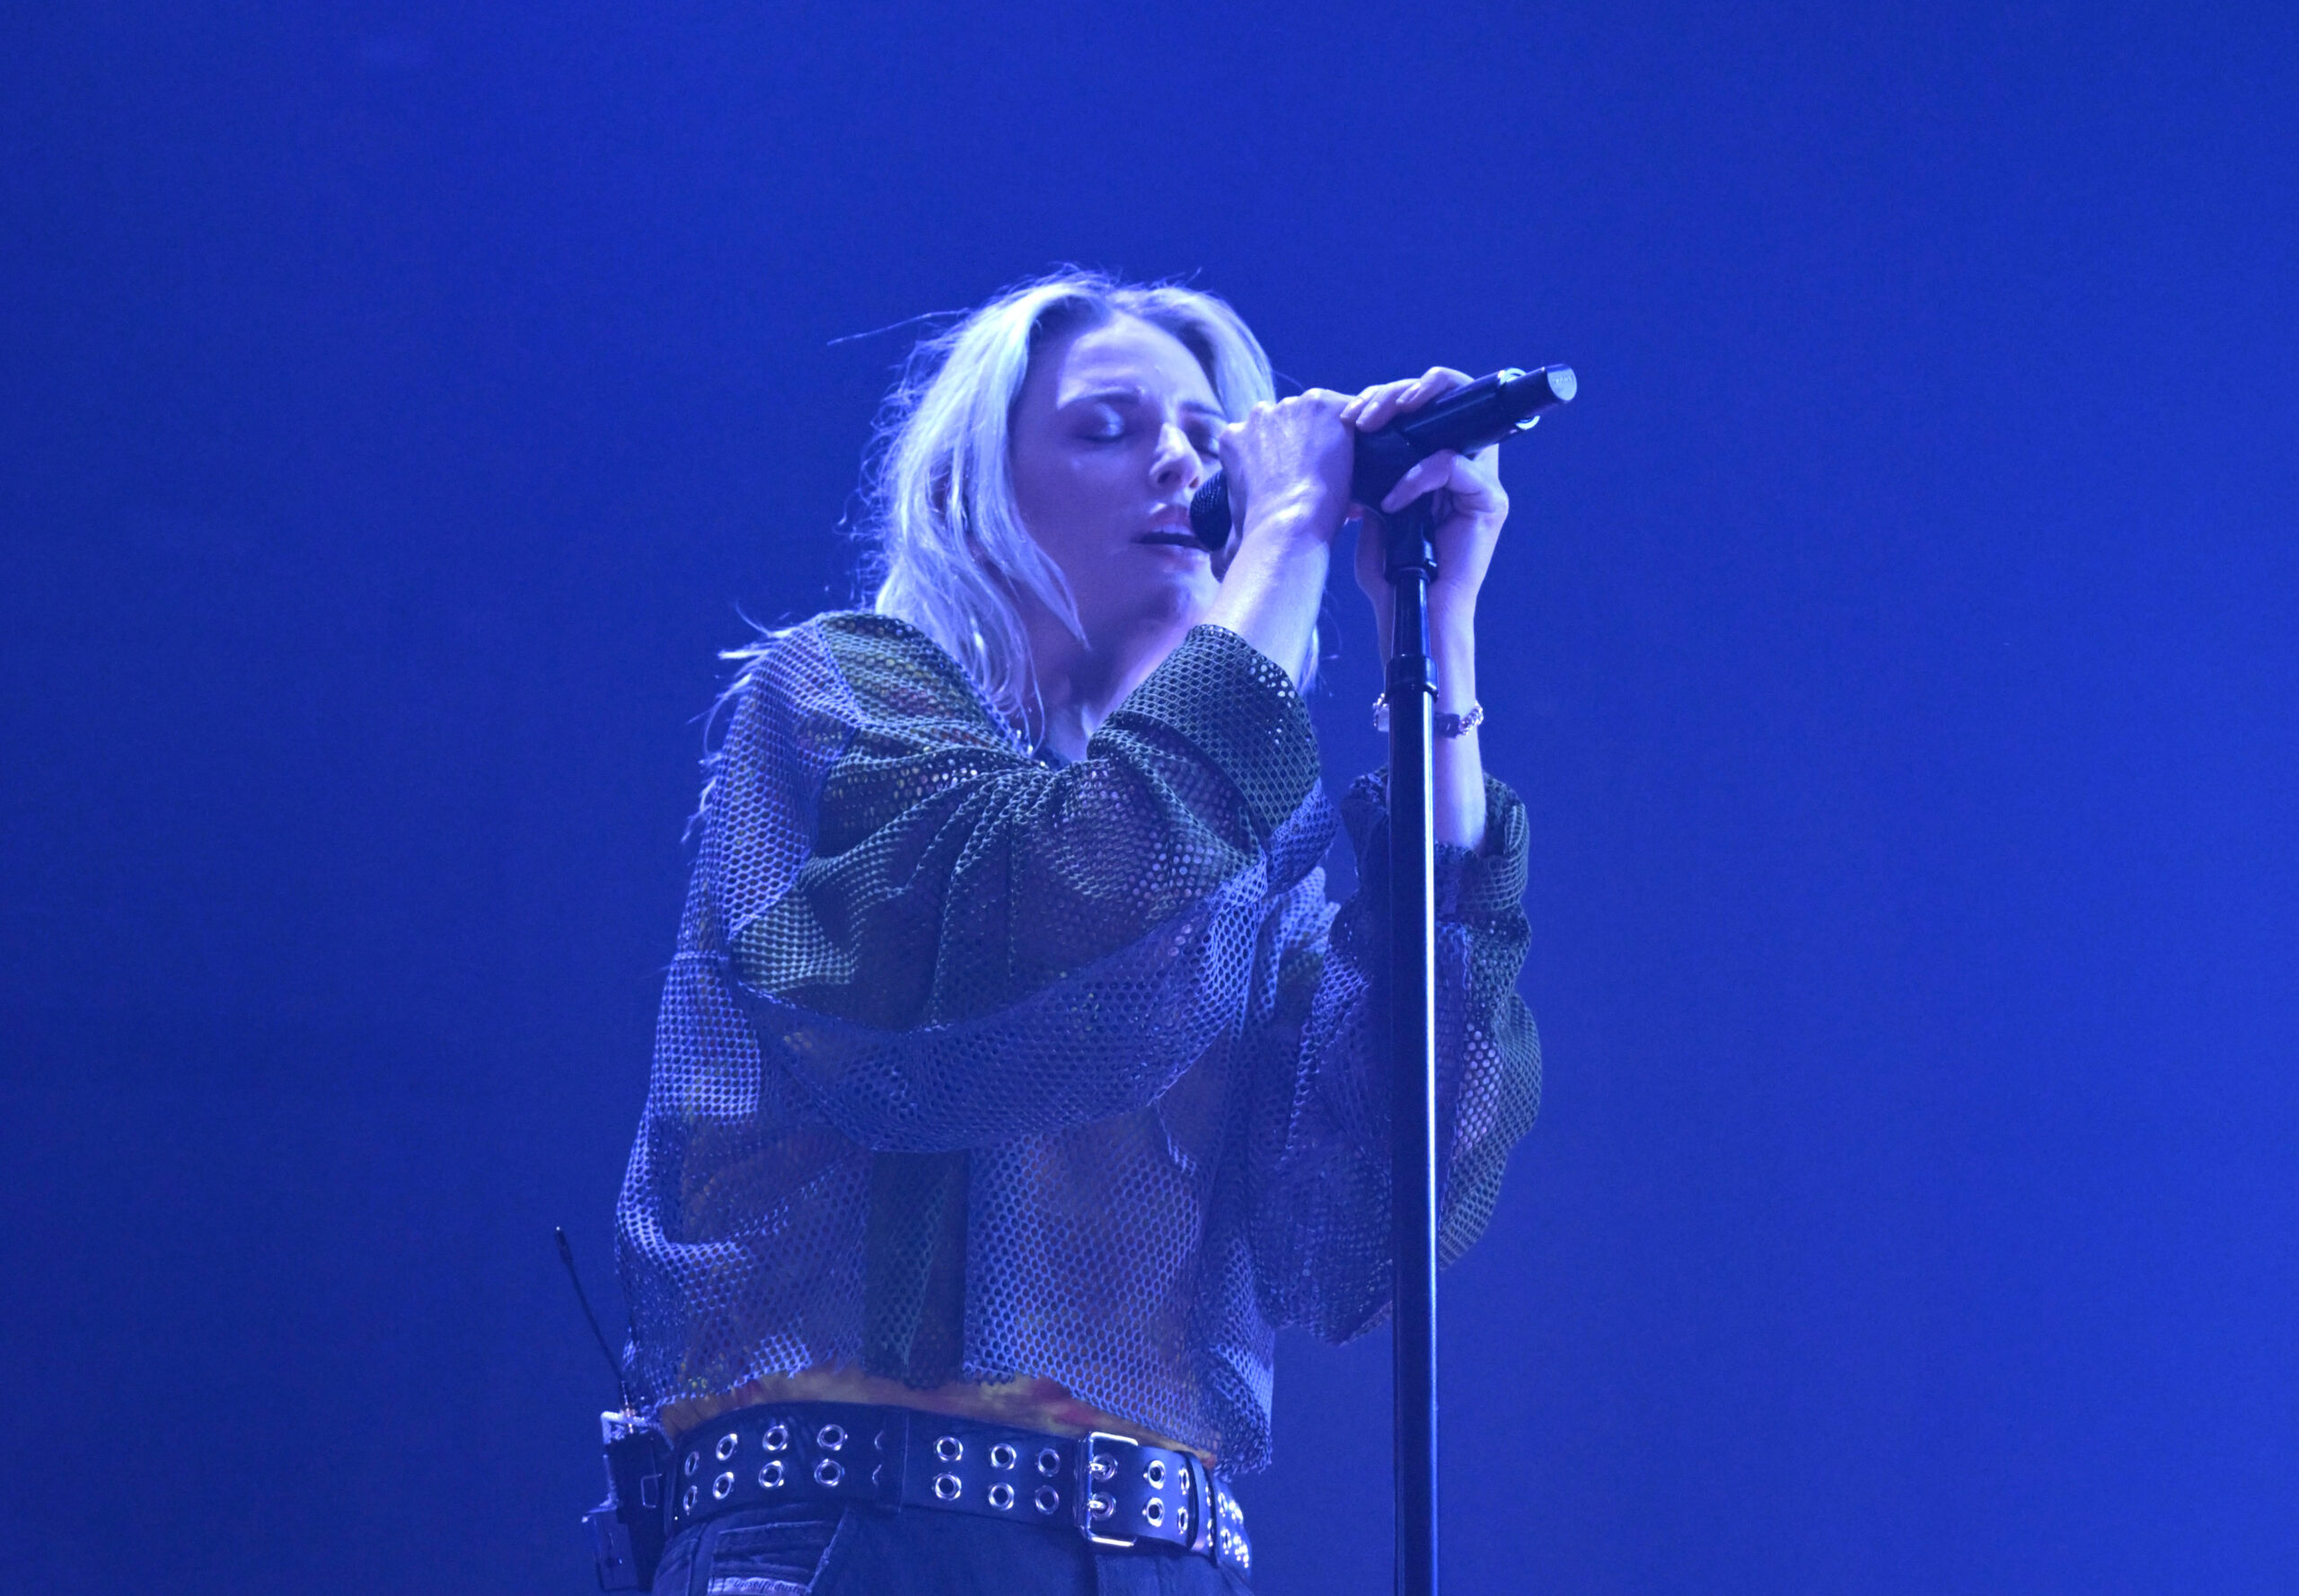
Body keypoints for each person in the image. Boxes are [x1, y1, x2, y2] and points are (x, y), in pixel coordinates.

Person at [612, 270, 1540, 1596]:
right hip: (866, 1543)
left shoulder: (1234, 872)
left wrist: (1434, 640)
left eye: (1210, 439)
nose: (1179, 463)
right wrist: (1286, 528)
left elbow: (1357, 1223)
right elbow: (1049, 917)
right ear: (971, 498)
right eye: (1107, 428)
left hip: (1163, 1563)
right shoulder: (840, 703)